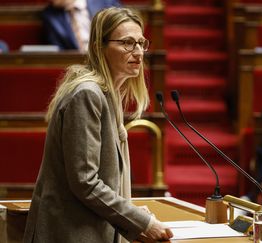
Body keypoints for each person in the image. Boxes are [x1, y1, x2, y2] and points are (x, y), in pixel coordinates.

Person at [23, 7, 173, 243]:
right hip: (70, 235)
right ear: (98, 47)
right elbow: (85, 182)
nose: (138, 52)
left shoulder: (108, 94)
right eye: (127, 43)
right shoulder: (87, 95)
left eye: (141, 43)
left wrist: (131, 213)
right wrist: (141, 222)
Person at [41, 0, 121, 51]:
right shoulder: (49, 15)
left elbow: (121, 32)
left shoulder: (106, 2)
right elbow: (58, 50)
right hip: (77, 64)